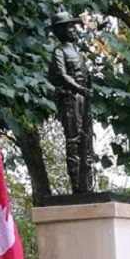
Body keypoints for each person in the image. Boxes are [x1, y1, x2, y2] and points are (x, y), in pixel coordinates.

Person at [48, 10, 94, 194]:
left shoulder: (76, 51)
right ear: (60, 30)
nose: (73, 29)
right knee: (73, 141)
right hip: (71, 98)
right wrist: (79, 89)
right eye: (69, 26)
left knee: (87, 141)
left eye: (73, 26)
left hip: (84, 98)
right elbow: (60, 74)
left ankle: (88, 185)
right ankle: (77, 187)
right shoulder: (59, 51)